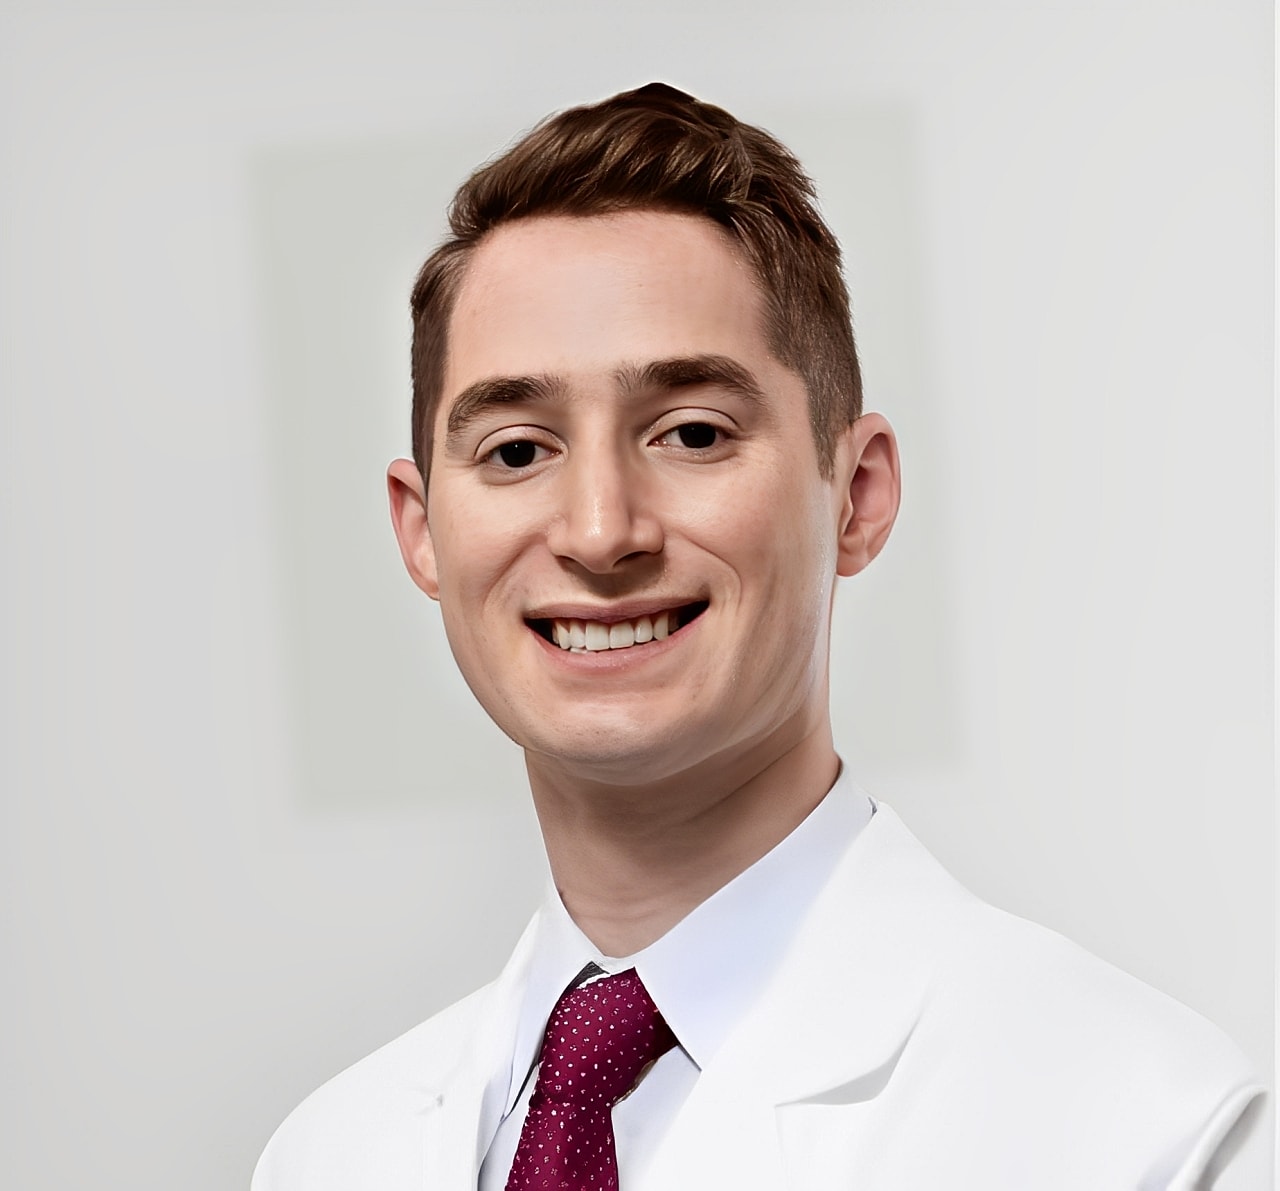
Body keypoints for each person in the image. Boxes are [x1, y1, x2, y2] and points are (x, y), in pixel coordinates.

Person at [252, 83, 1263, 1190]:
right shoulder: (324, 1156)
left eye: (691, 433)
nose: (600, 531)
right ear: (422, 532)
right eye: (516, 450)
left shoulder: (1150, 1133)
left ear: (857, 495)